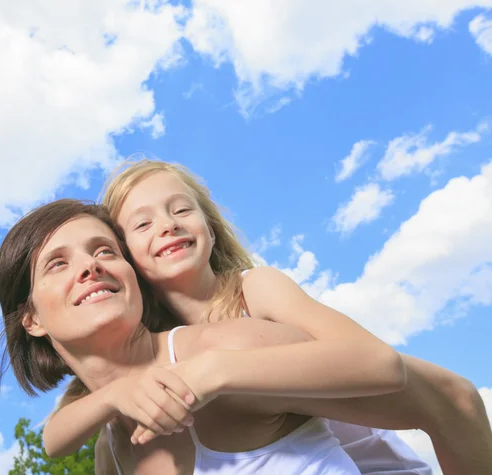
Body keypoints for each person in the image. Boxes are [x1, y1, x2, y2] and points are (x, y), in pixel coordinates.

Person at [46, 159, 492, 474]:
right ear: (126, 258)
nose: (168, 225)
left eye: (182, 209)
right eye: (142, 224)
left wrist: (215, 372)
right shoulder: (153, 353)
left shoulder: (254, 291)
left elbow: (380, 362)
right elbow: (59, 431)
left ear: (210, 225)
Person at [0, 200, 412, 474]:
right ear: (31, 319)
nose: (91, 267)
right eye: (57, 264)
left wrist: (217, 372)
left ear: (133, 278)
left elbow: (404, 381)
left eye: (105, 251)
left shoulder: (226, 347)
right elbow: (55, 440)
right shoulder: (112, 453)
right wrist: (108, 398)